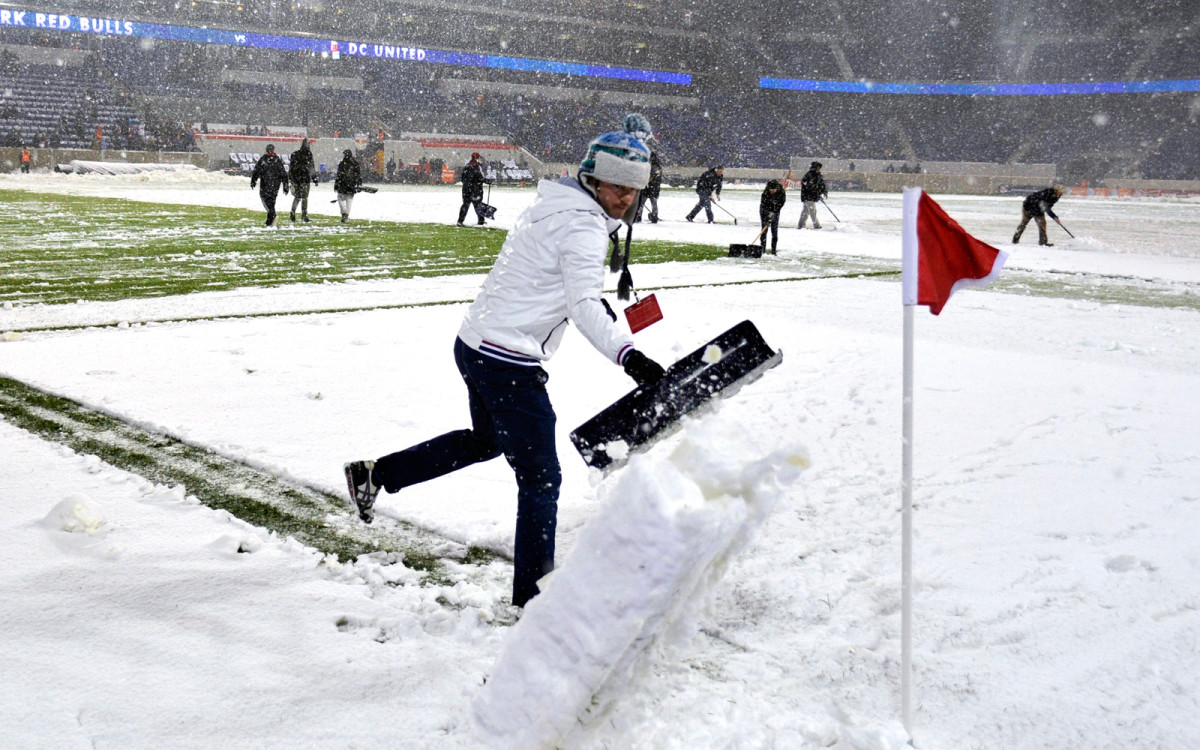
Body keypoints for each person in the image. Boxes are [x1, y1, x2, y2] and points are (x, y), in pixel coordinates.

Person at [343, 127, 667, 609]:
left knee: (486, 441)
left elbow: (547, 278)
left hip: (475, 343)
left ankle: (376, 474)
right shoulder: (583, 226)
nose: (626, 197)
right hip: (506, 360)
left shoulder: (556, 205)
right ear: (593, 180)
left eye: (633, 187)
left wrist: (593, 302)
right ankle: (533, 603)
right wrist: (629, 355)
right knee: (541, 479)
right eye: (617, 186)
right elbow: (581, 303)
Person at [249, 143, 288, 227]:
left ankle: (272, 214)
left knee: (265, 200)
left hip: (265, 184)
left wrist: (253, 181)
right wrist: (285, 185)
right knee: (272, 201)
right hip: (275, 185)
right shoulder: (278, 160)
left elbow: (256, 171)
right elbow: (283, 174)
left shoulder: (263, 159)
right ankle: (269, 221)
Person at [457, 152, 491, 226]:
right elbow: (480, 178)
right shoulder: (477, 167)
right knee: (478, 205)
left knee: (465, 205)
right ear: (477, 159)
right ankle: (481, 221)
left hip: (466, 190)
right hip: (475, 190)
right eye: (479, 158)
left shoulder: (467, 166)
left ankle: (460, 221)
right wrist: (487, 181)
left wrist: (467, 185)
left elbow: (462, 179)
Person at [288, 138, 316, 223]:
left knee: (297, 197)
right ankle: (304, 215)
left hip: (296, 179)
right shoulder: (308, 154)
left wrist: (291, 178)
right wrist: (315, 178)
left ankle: (293, 211)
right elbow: (311, 167)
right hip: (305, 178)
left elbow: (291, 168)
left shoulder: (295, 154)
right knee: (304, 198)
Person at [333, 149, 362, 224]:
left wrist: (336, 184)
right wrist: (358, 184)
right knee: (349, 200)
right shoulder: (355, 164)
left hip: (342, 184)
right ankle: (347, 214)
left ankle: (344, 213)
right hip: (351, 185)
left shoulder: (342, 164)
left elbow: (338, 175)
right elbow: (358, 175)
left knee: (341, 198)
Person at [759, 179, 786, 255]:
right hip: (764, 211)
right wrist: (768, 216)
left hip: (776, 211)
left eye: (773, 190)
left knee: (774, 230)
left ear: (777, 189)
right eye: (770, 189)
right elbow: (764, 206)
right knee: (764, 229)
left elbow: (781, 203)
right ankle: (762, 249)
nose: (771, 191)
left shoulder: (781, 192)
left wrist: (774, 213)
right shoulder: (765, 193)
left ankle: (773, 250)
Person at [635, 150, 663, 223]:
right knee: (654, 204)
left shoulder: (648, 166)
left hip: (646, 188)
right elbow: (657, 179)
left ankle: (638, 216)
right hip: (654, 189)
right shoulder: (657, 167)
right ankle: (654, 216)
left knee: (641, 203)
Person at [798, 161, 827, 229]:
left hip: (810, 197)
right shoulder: (809, 175)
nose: (819, 170)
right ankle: (816, 225)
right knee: (812, 211)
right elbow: (808, 186)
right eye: (818, 168)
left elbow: (822, 184)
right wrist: (816, 192)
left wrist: (823, 191)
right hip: (808, 197)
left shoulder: (818, 175)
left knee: (805, 212)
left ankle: (801, 225)